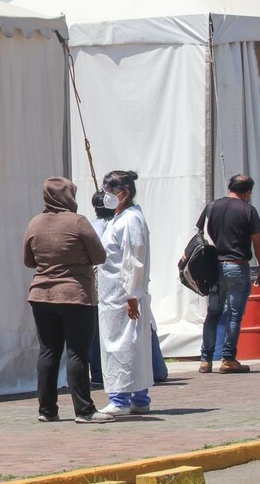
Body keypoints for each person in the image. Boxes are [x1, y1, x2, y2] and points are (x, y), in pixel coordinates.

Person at [23, 177, 113, 424]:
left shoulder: (35, 223)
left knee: (48, 351)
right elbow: (99, 256)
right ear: (68, 196)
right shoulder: (78, 222)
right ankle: (84, 410)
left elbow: (29, 261)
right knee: (77, 353)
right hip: (75, 295)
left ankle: (47, 410)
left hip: (41, 294)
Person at [96, 171, 154, 416]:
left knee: (122, 345)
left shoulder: (130, 220)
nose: (106, 196)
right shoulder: (119, 219)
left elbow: (133, 259)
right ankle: (139, 398)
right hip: (113, 295)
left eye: (110, 192)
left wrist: (132, 294)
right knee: (131, 345)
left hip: (123, 295)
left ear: (125, 193)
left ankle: (120, 399)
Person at [196, 174, 260, 374]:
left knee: (213, 314)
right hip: (237, 267)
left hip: (214, 267)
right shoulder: (248, 210)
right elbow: (258, 243)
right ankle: (228, 359)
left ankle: (205, 360)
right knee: (234, 315)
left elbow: (201, 234)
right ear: (247, 193)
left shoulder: (212, 206)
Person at [88, 191, 114, 387]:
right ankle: (103, 371)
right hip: (110, 286)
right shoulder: (115, 225)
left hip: (94, 285)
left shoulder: (90, 227)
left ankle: (98, 371)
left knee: (95, 330)